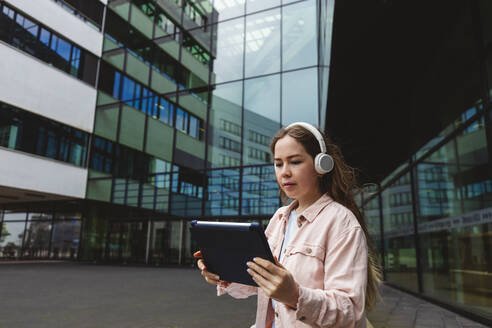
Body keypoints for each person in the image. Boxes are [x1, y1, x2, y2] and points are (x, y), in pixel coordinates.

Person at [194, 122, 381, 328]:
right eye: (278, 163)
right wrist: (223, 273)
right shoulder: (279, 218)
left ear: (321, 166)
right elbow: (258, 282)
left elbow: (350, 312)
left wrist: (294, 295)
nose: (284, 172)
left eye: (295, 162)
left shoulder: (341, 223)